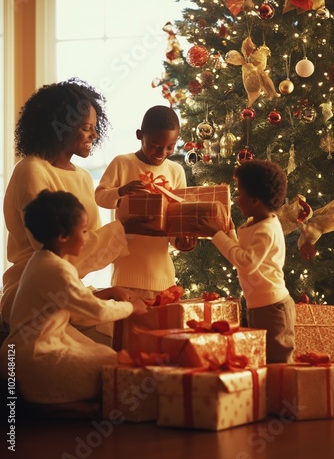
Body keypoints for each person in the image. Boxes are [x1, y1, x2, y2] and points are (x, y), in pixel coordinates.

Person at [0, 77, 144, 339]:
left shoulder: (83, 177)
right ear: (61, 127)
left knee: (135, 333)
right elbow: (57, 254)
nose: (95, 135)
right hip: (32, 297)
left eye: (95, 127)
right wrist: (124, 230)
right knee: (113, 348)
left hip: (68, 290)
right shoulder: (31, 170)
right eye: (86, 127)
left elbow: (87, 249)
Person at [0, 190, 147, 415]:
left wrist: (109, 292)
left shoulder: (39, 260)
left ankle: (46, 401)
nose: (88, 237)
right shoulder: (57, 269)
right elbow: (95, 311)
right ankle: (42, 403)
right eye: (84, 231)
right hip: (34, 358)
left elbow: (75, 302)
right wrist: (131, 308)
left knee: (103, 353)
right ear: (63, 237)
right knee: (114, 365)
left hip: (19, 353)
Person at [188, 159, 296, 363]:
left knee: (279, 362)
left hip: (273, 308)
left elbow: (245, 262)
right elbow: (240, 251)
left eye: (240, 193)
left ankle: (285, 393)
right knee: (262, 358)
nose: (237, 199)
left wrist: (216, 234)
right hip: (258, 305)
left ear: (255, 200)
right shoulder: (254, 223)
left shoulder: (266, 229)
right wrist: (227, 231)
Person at [95, 105, 197, 303]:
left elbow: (177, 219)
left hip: (162, 274)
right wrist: (121, 192)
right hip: (127, 271)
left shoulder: (176, 171)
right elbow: (100, 197)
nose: (162, 152)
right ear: (139, 135)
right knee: (129, 331)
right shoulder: (122, 163)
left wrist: (181, 242)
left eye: (170, 147)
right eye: (154, 145)